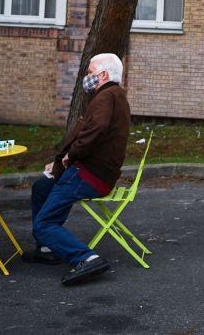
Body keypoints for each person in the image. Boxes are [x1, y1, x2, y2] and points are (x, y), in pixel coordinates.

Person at [27, 52, 131, 285]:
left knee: (44, 224)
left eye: (90, 72)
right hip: (94, 172)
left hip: (88, 175)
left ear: (103, 74)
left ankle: (86, 258)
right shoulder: (114, 95)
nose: (87, 77)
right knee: (42, 187)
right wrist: (62, 160)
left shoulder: (106, 98)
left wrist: (70, 157)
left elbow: (96, 129)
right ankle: (46, 248)